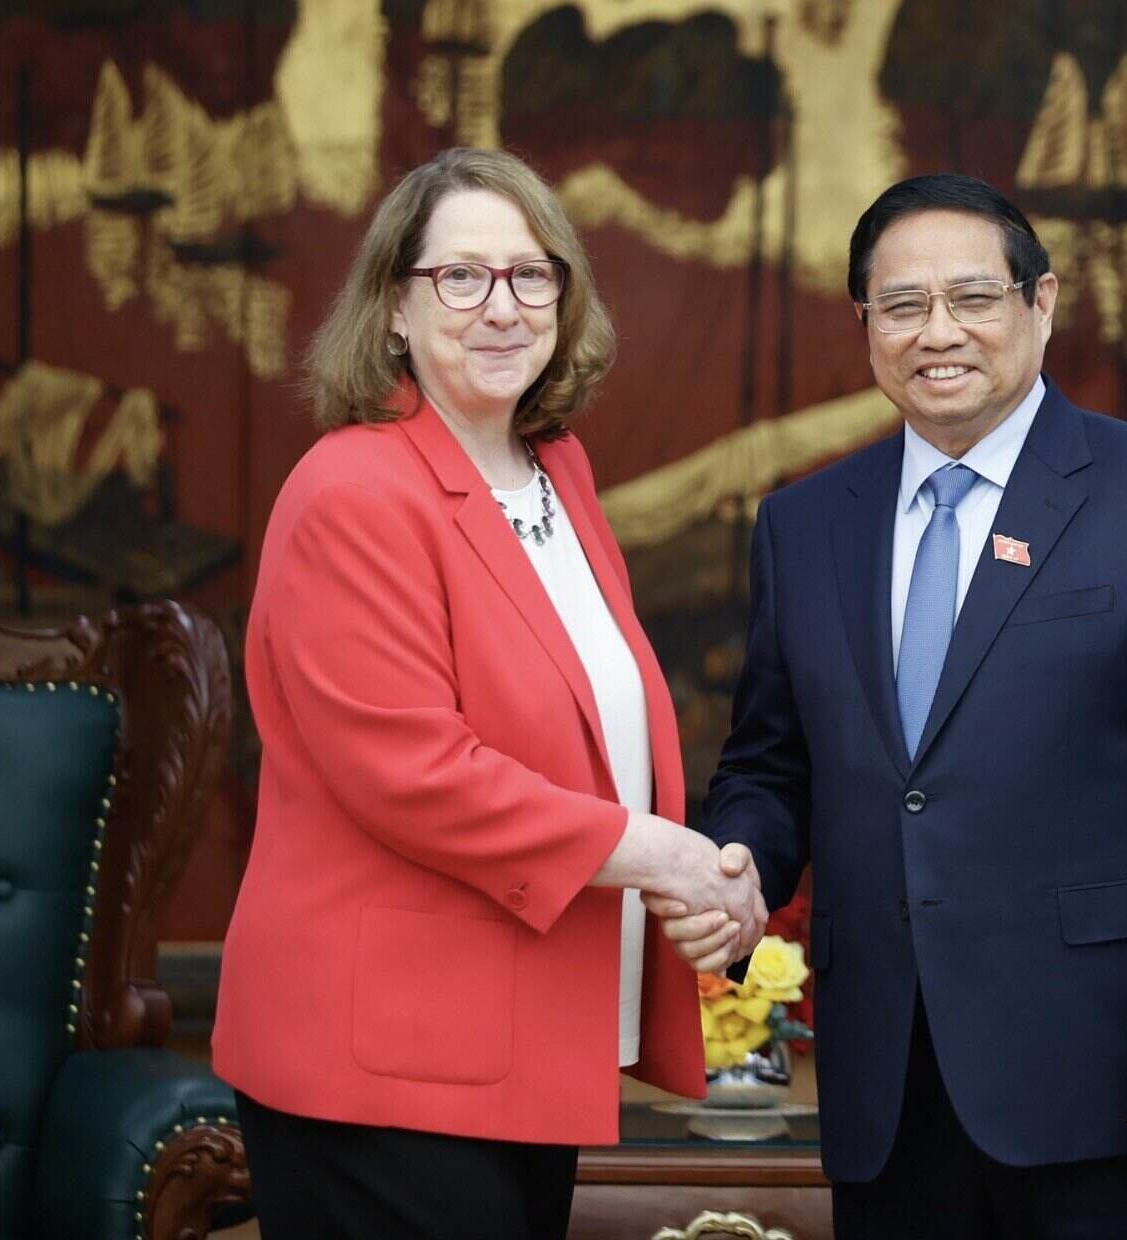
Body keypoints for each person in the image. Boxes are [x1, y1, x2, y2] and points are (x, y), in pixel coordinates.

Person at [650, 174, 1127, 1237]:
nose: (935, 332)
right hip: (889, 1096)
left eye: (971, 298)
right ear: (864, 327)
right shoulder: (805, 525)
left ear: (1039, 305)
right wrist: (735, 870)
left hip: (1120, 1085)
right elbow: (770, 766)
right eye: (900, 306)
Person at [212, 148, 765, 1240]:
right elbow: (415, 773)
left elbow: (591, 730)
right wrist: (666, 855)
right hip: (380, 1071)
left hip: (509, 1048)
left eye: (530, 274)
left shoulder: (554, 469)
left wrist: (708, 875)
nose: (500, 305)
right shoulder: (351, 490)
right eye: (460, 277)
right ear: (392, 311)